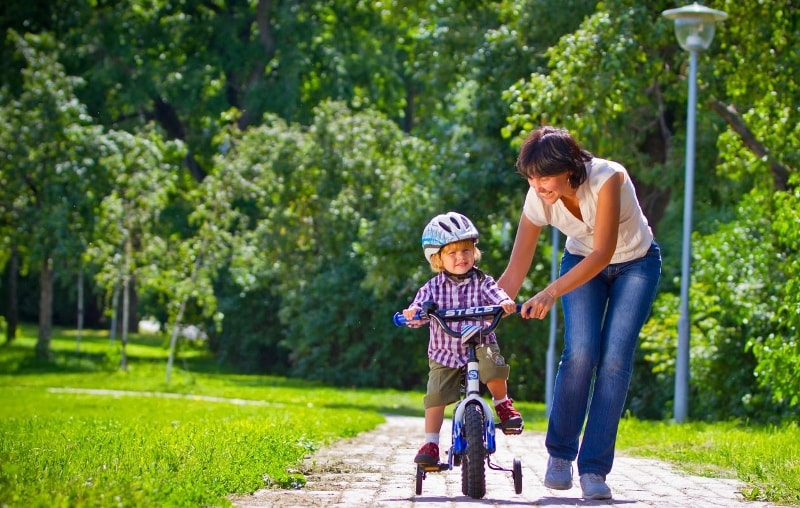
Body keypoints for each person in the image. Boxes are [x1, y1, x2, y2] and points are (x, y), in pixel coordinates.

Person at [497, 127, 661, 500]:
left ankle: (594, 470)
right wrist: (489, 307)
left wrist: (551, 291)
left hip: (636, 264)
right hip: (580, 264)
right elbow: (515, 270)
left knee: (615, 360)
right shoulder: (538, 197)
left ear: (569, 167)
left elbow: (603, 252)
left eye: (546, 176)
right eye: (532, 177)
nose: (539, 185)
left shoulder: (607, 177)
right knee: (580, 352)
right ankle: (559, 456)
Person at [402, 211, 523, 466]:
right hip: (444, 351)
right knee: (435, 395)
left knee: (492, 364)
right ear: (437, 258)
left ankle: (502, 404)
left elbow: (496, 292)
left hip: (480, 342)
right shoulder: (433, 287)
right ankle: (431, 443)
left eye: (466, 250)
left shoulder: (481, 281)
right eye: (452, 253)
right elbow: (419, 308)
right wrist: (413, 313)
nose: (461, 258)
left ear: (474, 252)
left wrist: (504, 302)